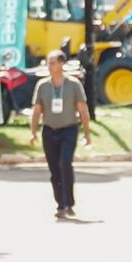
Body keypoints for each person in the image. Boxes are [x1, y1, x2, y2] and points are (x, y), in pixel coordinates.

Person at [29, 49, 92, 219]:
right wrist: (33, 132)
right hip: (49, 130)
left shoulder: (73, 84)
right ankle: (60, 204)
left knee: (65, 163)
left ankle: (69, 202)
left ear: (61, 64)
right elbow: (36, 110)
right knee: (54, 169)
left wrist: (87, 133)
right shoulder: (42, 86)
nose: (49, 66)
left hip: (68, 129)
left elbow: (82, 110)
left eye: (52, 63)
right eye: (48, 63)